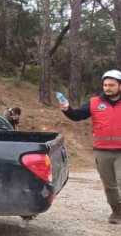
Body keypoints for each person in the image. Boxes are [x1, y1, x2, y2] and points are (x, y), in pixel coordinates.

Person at [60, 69, 121, 224]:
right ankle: (117, 212)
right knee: (110, 186)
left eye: (112, 85)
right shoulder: (95, 103)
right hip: (102, 151)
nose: (107, 88)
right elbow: (77, 116)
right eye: (105, 85)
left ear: (119, 86)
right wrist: (67, 109)